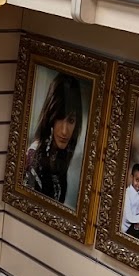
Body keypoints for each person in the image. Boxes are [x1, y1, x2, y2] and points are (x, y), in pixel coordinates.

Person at [23, 71, 85, 204]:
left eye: (71, 120)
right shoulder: (34, 158)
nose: (64, 131)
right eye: (59, 118)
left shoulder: (58, 158)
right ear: (50, 116)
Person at [122, 164, 139, 237]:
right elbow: (128, 218)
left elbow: (138, 211)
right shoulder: (127, 194)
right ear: (132, 177)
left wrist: (137, 222)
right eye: (137, 180)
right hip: (123, 228)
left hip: (131, 228)